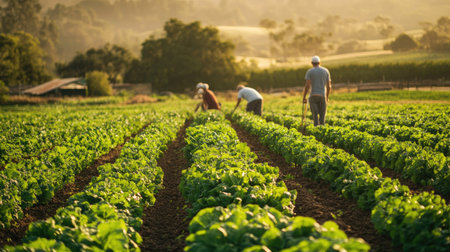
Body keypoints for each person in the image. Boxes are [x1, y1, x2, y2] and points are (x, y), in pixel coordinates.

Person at [302, 56, 332, 126]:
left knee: (315, 118)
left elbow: (307, 85)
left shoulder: (309, 72)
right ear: (319, 62)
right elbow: (329, 86)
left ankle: (315, 132)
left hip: (313, 96)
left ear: (312, 63)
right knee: (322, 118)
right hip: (322, 96)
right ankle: (322, 133)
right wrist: (326, 97)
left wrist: (304, 97)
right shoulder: (326, 71)